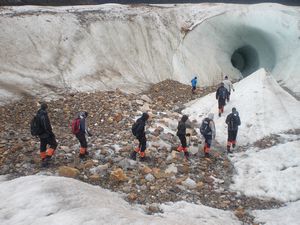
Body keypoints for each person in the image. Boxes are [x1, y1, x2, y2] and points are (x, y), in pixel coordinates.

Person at [36, 103, 58, 167]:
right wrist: (51, 133)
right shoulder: (44, 115)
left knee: (43, 146)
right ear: (45, 108)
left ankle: (43, 159)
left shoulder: (38, 114)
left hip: (40, 134)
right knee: (54, 144)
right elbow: (46, 126)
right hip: (46, 134)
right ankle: (47, 158)